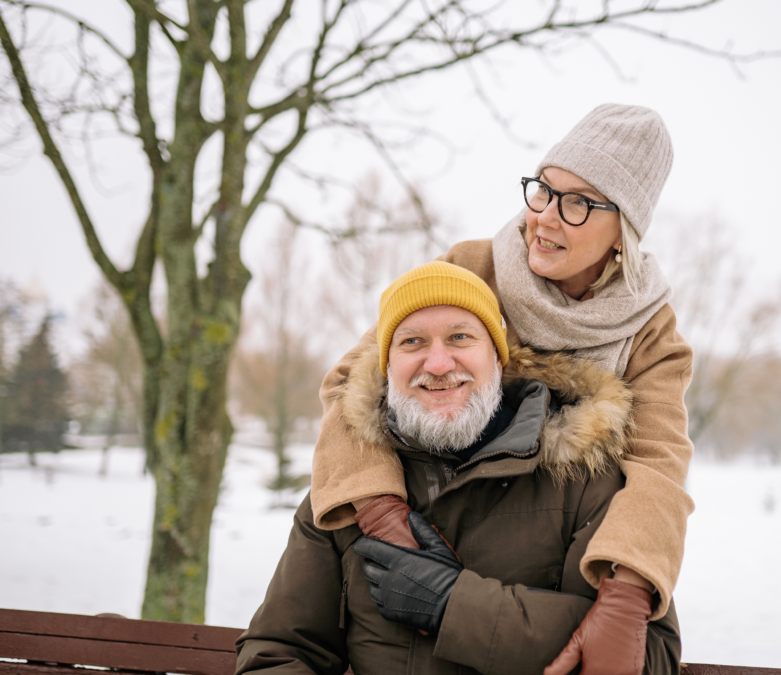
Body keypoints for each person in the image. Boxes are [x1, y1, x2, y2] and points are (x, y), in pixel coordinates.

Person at [310, 104, 695, 672]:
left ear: (625, 229)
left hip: (557, 546)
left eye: (579, 203)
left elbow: (659, 465)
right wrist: (380, 508)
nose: (544, 217)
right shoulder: (474, 268)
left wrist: (627, 593)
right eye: (543, 189)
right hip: (442, 516)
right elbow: (354, 383)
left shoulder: (649, 333)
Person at [235, 262, 681, 675]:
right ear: (387, 368)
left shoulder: (585, 480)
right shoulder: (347, 489)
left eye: (460, 338)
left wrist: (453, 605)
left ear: (499, 358)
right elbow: (277, 652)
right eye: (412, 342)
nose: (437, 364)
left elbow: (649, 657)